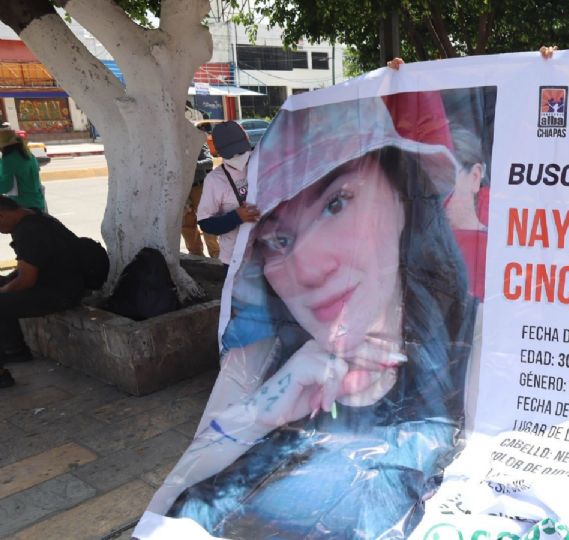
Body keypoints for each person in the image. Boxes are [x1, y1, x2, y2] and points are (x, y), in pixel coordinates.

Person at [145, 93, 475, 538]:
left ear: (402, 196)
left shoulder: (478, 341)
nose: (308, 268)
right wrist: (260, 414)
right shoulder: (263, 358)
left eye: (335, 204)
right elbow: (170, 503)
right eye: (277, 240)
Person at [0, 196, 86, 387]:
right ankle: (14, 350)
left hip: (60, 293)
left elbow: (26, 281)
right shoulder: (35, 216)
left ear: (2, 215)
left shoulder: (29, 231)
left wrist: (5, 289)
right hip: (60, 283)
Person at [197, 121, 260, 267]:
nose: (238, 156)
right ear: (219, 152)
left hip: (267, 254)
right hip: (235, 259)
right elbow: (205, 224)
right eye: (231, 153)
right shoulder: (214, 180)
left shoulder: (261, 163)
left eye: (241, 151)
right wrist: (236, 217)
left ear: (247, 141)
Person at [445, 126, 490, 299]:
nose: (435, 193)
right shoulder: (417, 243)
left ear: (475, 177)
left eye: (447, 180)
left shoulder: (497, 252)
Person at [181, 129, 220, 258]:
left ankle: (216, 255)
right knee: (187, 225)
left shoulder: (197, 141)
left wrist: (190, 164)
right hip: (181, 190)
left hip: (199, 186)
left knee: (207, 221)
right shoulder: (172, 143)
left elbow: (209, 162)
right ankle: (196, 255)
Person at [0, 128, 45, 212]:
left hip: (23, 205)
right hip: (38, 201)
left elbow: (5, 186)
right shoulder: (28, 154)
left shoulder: (8, 159)